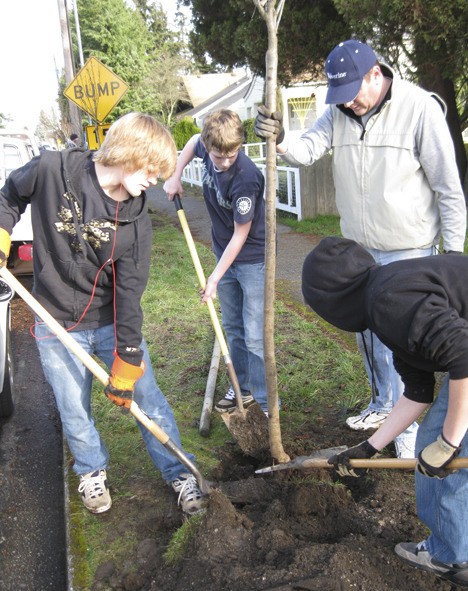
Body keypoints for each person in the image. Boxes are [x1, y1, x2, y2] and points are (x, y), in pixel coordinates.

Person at [254, 39, 466, 458]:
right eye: (341, 98)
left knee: (410, 339)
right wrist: (280, 140)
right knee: (371, 339)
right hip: (359, 254)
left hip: (410, 249)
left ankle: (413, 429)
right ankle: (383, 406)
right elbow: (307, 149)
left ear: (375, 73)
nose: (348, 104)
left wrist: (453, 255)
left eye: (353, 94)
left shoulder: (419, 108)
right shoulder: (338, 111)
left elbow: (448, 188)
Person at [0, 112, 204, 515]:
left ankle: (181, 473)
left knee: (148, 398)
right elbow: (8, 196)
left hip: (110, 320)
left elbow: (130, 292)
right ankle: (91, 471)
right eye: (151, 170)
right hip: (54, 318)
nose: (154, 182)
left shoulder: (135, 221)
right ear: (129, 153)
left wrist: (127, 361)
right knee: (73, 405)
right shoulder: (52, 170)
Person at [301, 236, 468, 587]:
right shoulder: (386, 300)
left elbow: (464, 355)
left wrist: (448, 443)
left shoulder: (389, 301)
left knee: (439, 460)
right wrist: (369, 448)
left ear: (332, 300)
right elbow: (418, 393)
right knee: (437, 439)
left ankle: (450, 557)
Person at [163, 109, 270, 416]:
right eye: (217, 156)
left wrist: (213, 278)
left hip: (251, 259)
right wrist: (175, 175)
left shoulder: (246, 178)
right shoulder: (204, 143)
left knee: (254, 334)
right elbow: (193, 141)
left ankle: (262, 403)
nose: (224, 162)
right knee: (232, 327)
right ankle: (242, 388)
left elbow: (241, 234)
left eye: (231, 155)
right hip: (223, 252)